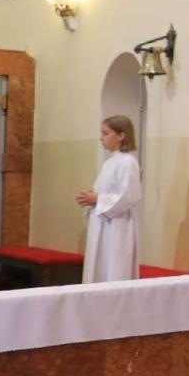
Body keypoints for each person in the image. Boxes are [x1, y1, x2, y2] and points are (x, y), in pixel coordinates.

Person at [78, 116, 142, 283]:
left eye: (105, 133)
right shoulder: (110, 162)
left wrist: (98, 199)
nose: (101, 137)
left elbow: (129, 196)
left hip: (117, 225)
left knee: (114, 269)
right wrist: (91, 195)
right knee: (98, 268)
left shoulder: (128, 162)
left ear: (121, 136)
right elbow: (104, 191)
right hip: (102, 223)